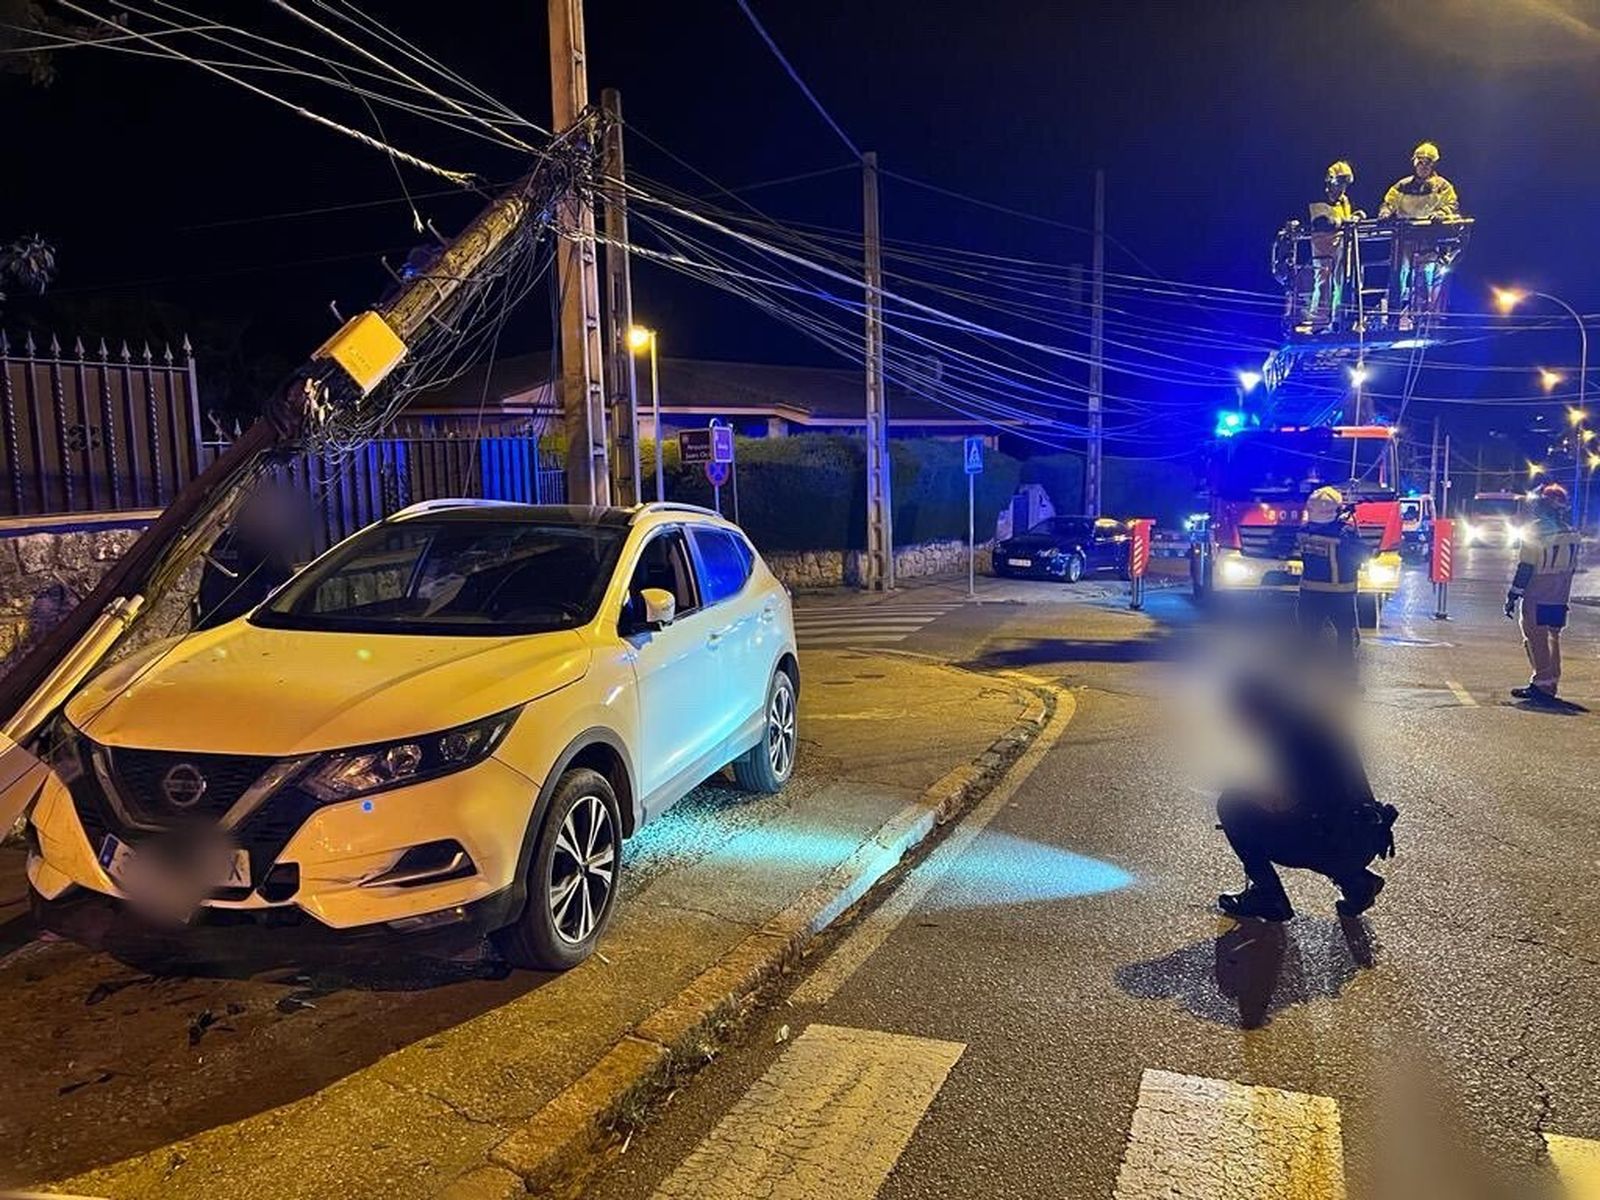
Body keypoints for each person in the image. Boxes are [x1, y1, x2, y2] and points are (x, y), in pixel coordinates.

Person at [1216, 675, 1398, 922]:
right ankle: (1356, 883)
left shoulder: (1289, 737)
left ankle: (1268, 897)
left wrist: (1256, 798)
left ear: (1254, 709)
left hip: (1336, 842)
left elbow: (1287, 802)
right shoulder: (1308, 722)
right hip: (1364, 837)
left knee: (1232, 805)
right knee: (1320, 823)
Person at [1505, 482, 1582, 704]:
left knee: (1536, 637)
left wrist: (1513, 595)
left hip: (1538, 592)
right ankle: (1550, 682)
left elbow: (1526, 566)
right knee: (1553, 637)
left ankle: (1541, 684)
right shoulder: (1572, 533)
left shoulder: (1534, 532)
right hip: (1560, 594)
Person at [1378, 142, 1460, 327]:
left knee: (1423, 278)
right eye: (1420, 162)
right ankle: (1393, 318)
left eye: (1427, 162)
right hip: (1404, 237)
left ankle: (1421, 319)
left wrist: (1442, 214)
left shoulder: (1442, 186)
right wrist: (1385, 212)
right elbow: (1389, 202)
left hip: (1428, 238)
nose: (1423, 166)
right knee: (1398, 278)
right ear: (1414, 163)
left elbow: (1452, 205)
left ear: (1433, 165)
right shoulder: (1402, 185)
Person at [1297, 485, 1369, 668]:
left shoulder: (1303, 532)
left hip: (1309, 594)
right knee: (1346, 636)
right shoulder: (1345, 535)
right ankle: (1346, 676)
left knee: (1308, 637)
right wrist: (1347, 520)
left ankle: (1302, 677)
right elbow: (1364, 554)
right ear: (1335, 510)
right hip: (1340, 596)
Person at [1303, 161, 1364, 332]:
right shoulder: (1318, 199)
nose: (1342, 188)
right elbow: (1324, 221)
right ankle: (1318, 321)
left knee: (1344, 282)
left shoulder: (1343, 200)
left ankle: (1340, 319)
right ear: (1330, 181)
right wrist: (1346, 221)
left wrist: (1355, 216)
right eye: (1339, 183)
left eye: (1345, 184)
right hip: (1323, 248)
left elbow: (1343, 218)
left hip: (1342, 246)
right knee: (1323, 283)